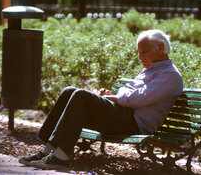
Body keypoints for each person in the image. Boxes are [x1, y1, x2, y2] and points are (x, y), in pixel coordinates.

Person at [19, 29, 183, 169]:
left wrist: (112, 98)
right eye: (139, 53)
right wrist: (110, 96)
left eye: (144, 51)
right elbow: (130, 93)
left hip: (134, 124)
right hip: (123, 116)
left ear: (161, 48)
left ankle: (60, 158)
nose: (140, 57)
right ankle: (47, 151)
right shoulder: (151, 69)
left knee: (81, 95)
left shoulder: (170, 75)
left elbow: (137, 98)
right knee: (70, 91)